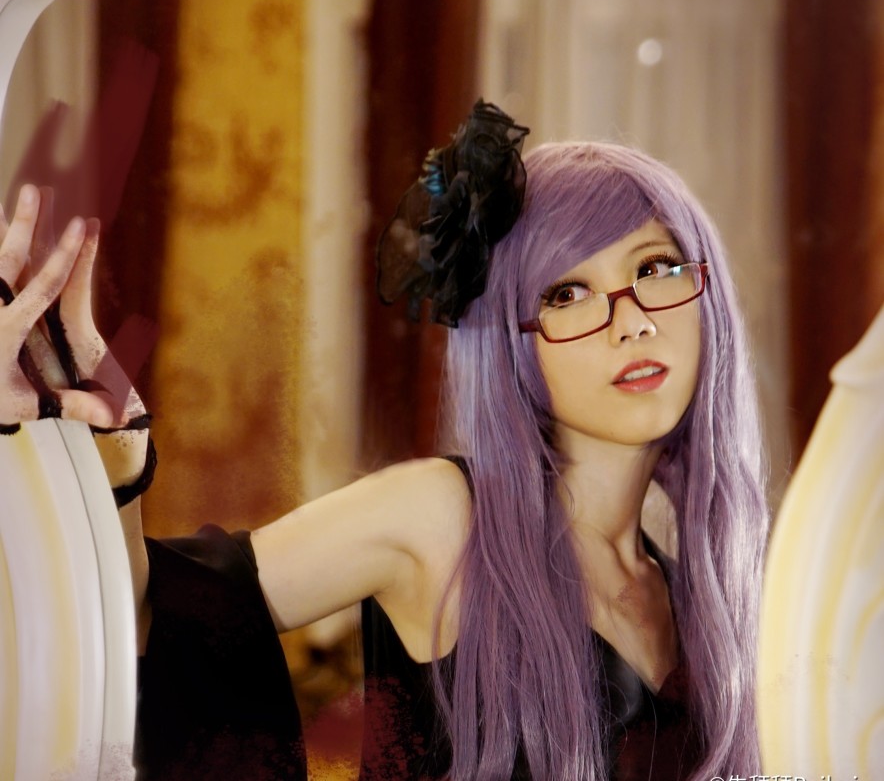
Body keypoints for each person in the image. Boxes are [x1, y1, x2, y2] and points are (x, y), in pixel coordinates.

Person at [0, 101, 769, 779]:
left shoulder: (707, 596)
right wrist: (117, 460)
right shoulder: (443, 519)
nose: (632, 320)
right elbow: (157, 614)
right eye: (567, 293)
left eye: (657, 267)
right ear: (512, 342)